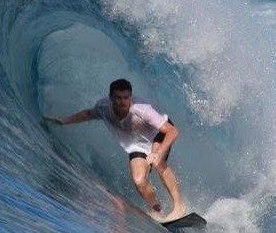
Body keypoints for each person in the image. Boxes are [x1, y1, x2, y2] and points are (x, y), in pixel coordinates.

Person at [44, 78, 186, 222]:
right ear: (110, 97)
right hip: (137, 144)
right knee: (138, 181)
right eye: (118, 97)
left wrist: (157, 153)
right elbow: (89, 114)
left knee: (157, 162)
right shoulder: (103, 107)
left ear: (130, 97)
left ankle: (179, 207)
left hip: (159, 133)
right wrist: (64, 121)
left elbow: (172, 131)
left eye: (126, 97)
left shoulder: (142, 110)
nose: (122, 101)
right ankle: (158, 210)